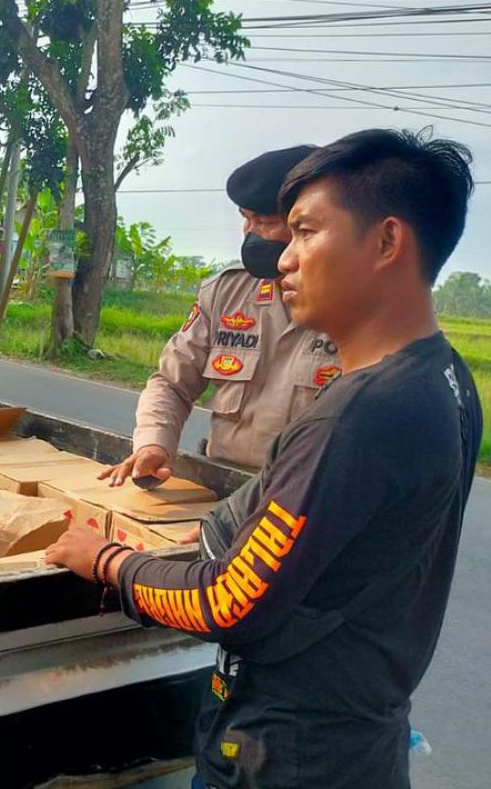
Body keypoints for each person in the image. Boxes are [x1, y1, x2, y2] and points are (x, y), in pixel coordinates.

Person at [47, 128, 480, 789]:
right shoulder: (445, 376)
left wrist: (106, 561)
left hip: (290, 750)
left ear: (388, 241)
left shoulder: (357, 417)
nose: (281, 258)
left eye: (303, 231)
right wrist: (224, 528)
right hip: (354, 728)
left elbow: (229, 604)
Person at [103, 145, 338, 486]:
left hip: (296, 505)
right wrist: (154, 443)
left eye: (266, 222)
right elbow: (172, 383)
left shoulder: (353, 309)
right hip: (217, 485)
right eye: (246, 219)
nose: (251, 233)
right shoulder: (227, 293)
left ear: (306, 226)